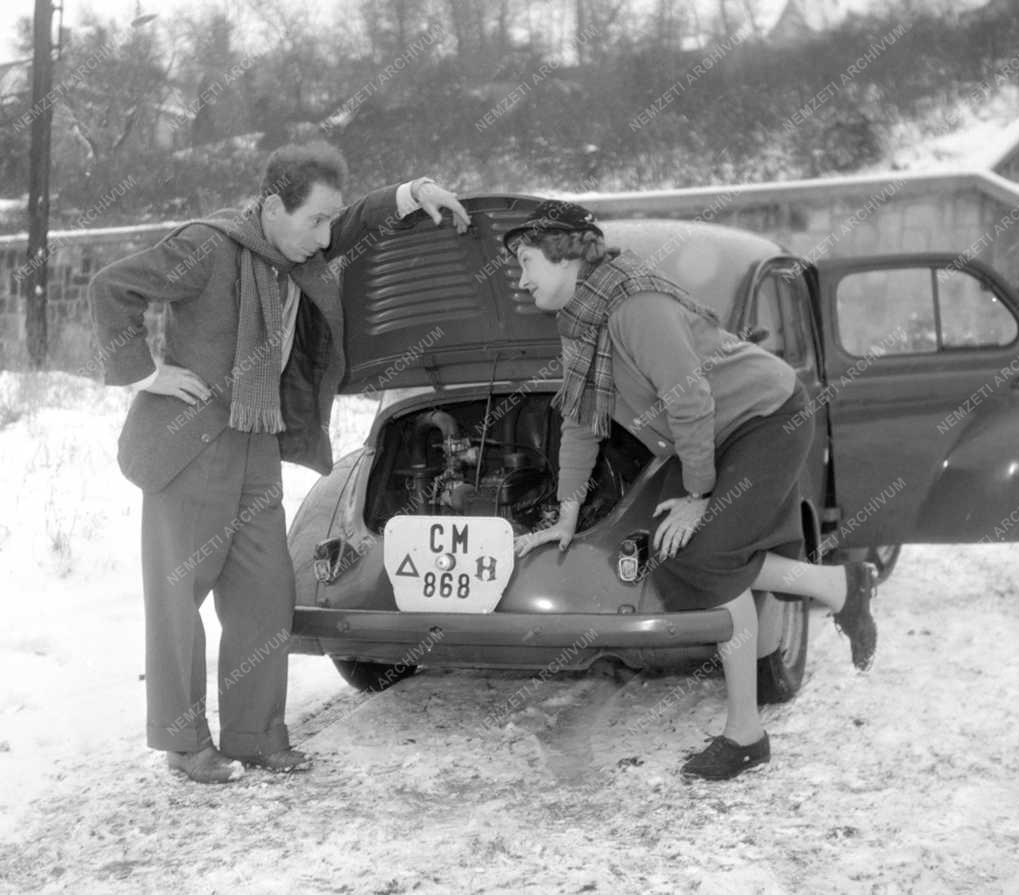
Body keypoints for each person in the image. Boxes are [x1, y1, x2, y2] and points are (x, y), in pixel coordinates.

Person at [90, 142, 470, 783]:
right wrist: (144, 373)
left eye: (329, 221)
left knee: (266, 595)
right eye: (314, 220)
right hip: (191, 446)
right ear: (272, 207)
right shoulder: (208, 246)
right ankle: (185, 745)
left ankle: (254, 734)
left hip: (256, 444)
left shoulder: (292, 248)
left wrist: (413, 192)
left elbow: (350, 224)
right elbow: (114, 286)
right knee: (177, 600)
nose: (326, 236)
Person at [508, 200, 878, 782]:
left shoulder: (635, 308)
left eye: (527, 261)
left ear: (566, 255)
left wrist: (702, 495)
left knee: (707, 552)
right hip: (704, 436)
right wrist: (567, 513)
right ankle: (836, 585)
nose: (522, 279)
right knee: (677, 548)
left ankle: (746, 733)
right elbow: (581, 420)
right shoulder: (581, 319)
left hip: (763, 416)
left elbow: (690, 400)